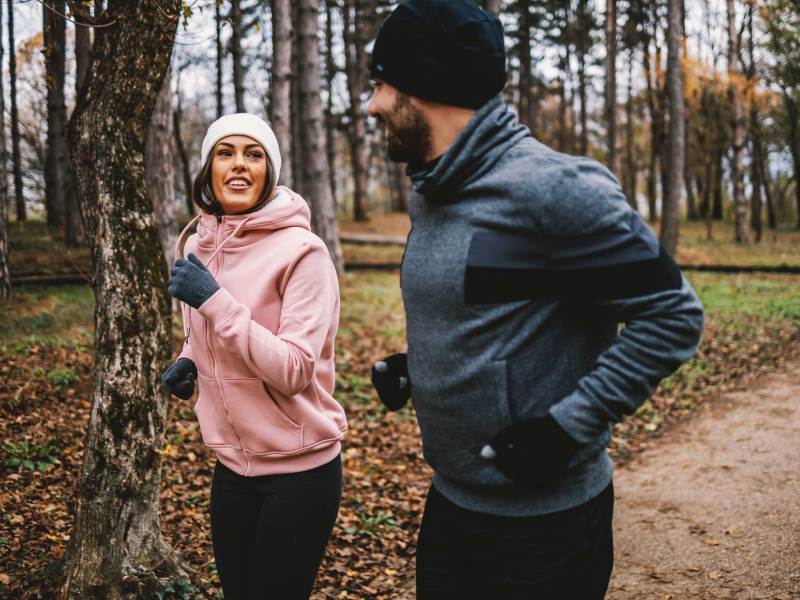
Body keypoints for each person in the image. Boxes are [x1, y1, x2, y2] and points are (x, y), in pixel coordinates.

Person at [367, 2, 704, 598]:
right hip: (451, 508)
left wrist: (565, 428)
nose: (371, 105)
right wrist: (421, 370)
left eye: (382, 85)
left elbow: (672, 315)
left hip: (548, 533)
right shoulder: (435, 193)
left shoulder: (556, 189)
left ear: (425, 87)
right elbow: (497, 308)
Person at [160, 113, 347, 600]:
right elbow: (207, 333)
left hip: (299, 470)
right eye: (225, 152)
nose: (239, 165)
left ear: (269, 172)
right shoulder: (201, 242)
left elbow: (294, 370)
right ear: (208, 169)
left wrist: (214, 300)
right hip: (233, 467)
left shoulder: (304, 253)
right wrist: (188, 360)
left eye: (253, 154)